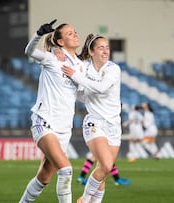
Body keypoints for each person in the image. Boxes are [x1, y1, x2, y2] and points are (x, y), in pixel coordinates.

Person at [18, 20, 85, 203]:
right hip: (44, 121)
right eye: (70, 33)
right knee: (66, 170)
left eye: (75, 31)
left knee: (44, 178)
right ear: (60, 42)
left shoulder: (80, 65)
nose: (75, 34)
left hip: (64, 129)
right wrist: (39, 35)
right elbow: (29, 52)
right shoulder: (52, 57)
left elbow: (81, 95)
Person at [62, 34, 122, 203]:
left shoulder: (113, 69)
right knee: (106, 165)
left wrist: (76, 77)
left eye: (107, 47)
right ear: (91, 51)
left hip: (114, 125)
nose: (105, 51)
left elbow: (102, 88)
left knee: (102, 171)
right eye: (101, 47)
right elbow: (81, 93)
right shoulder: (83, 68)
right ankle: (84, 199)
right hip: (95, 121)